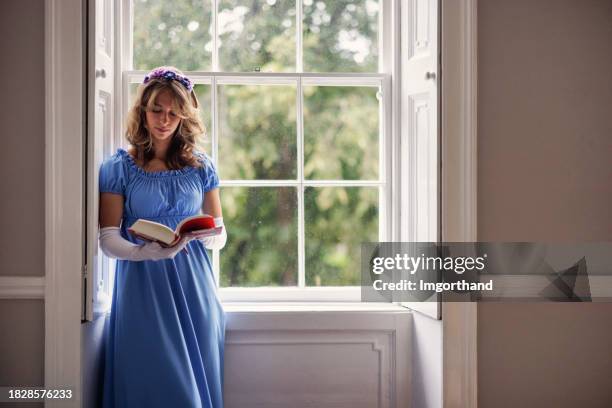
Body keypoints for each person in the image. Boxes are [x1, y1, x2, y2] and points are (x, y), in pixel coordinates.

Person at [99, 66, 226, 408]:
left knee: (194, 390)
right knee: (155, 382)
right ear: (143, 110)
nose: (164, 120)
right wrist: (148, 253)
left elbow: (220, 235)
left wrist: (202, 234)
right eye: (157, 109)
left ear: (185, 116)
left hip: (194, 284)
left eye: (173, 112)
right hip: (142, 288)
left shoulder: (202, 166)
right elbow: (108, 239)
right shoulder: (118, 167)